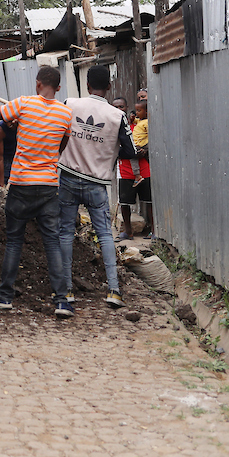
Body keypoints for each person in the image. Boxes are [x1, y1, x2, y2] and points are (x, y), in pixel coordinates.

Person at [0, 67, 75, 317]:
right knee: (52, 243)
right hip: (48, 186)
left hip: (21, 184)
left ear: (37, 84)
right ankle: (62, 301)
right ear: (58, 88)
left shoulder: (23, 104)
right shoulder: (66, 113)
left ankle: (5, 296)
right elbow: (61, 145)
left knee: (14, 241)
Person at [57, 66, 138, 310]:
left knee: (65, 233)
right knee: (104, 234)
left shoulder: (70, 104)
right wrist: (108, 150)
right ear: (109, 87)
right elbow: (130, 151)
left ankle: (66, 291)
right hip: (97, 183)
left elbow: (56, 133)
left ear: (87, 85)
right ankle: (114, 290)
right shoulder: (117, 116)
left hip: (68, 177)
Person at [118, 98, 153, 239]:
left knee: (149, 200)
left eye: (121, 107)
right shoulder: (114, 127)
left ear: (127, 108)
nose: (119, 110)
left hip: (144, 167)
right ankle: (128, 232)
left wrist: (145, 150)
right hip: (125, 169)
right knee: (125, 202)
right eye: (116, 107)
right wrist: (130, 153)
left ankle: (153, 231)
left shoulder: (137, 124)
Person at [0, 119, 17, 187]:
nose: (11, 124)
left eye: (12, 120)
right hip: (5, 161)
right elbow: (0, 158)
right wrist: (1, 185)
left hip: (19, 160)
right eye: (8, 121)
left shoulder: (24, 126)